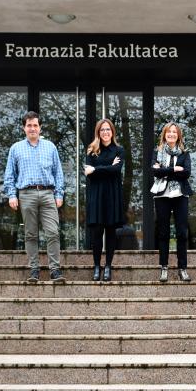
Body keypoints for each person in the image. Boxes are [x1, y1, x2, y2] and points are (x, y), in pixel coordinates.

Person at [4, 111, 65, 283]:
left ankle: (55, 270)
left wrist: (59, 194)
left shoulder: (50, 147)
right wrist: (11, 195)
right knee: (30, 234)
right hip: (26, 194)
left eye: (35, 125)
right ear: (24, 128)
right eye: (29, 125)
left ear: (40, 127)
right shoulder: (15, 148)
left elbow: (58, 173)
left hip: (47, 194)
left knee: (53, 232)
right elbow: (9, 175)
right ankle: (34, 270)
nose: (32, 128)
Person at [151, 122, 193, 282]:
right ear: (165, 134)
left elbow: (187, 173)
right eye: (169, 132)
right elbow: (155, 171)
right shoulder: (157, 151)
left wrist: (165, 171)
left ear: (178, 135)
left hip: (180, 195)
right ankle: (164, 267)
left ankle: (182, 268)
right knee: (163, 233)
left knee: (182, 233)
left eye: (175, 132)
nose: (172, 134)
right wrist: (175, 169)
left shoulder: (184, 153)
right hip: (162, 195)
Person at [84, 118, 125, 282]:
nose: (105, 132)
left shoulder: (119, 150)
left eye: (108, 129)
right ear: (98, 132)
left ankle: (108, 266)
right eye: (102, 130)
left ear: (112, 131)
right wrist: (106, 168)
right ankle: (96, 266)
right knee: (96, 233)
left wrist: (97, 169)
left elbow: (117, 170)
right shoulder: (91, 150)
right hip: (96, 195)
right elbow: (88, 173)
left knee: (110, 232)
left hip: (112, 196)